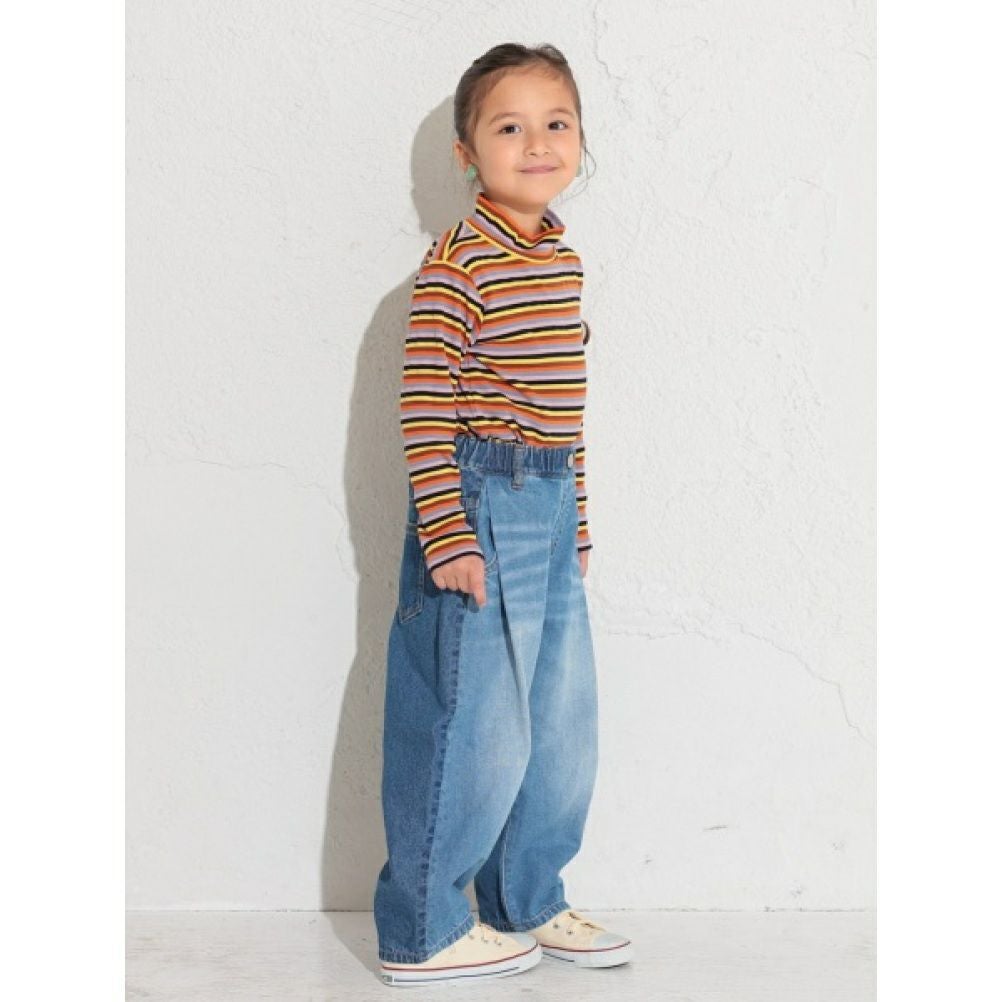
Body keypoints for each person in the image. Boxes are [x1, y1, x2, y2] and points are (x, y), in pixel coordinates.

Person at [373, 41, 632, 987]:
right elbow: (424, 404)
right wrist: (448, 534)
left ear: (581, 140)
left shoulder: (560, 259)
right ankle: (425, 929)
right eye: (509, 127)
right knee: (473, 722)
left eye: (556, 123)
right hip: (481, 504)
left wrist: (579, 520)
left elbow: (565, 407)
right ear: (467, 153)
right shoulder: (458, 262)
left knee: (559, 722)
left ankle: (527, 896)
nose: (536, 143)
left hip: (549, 505)